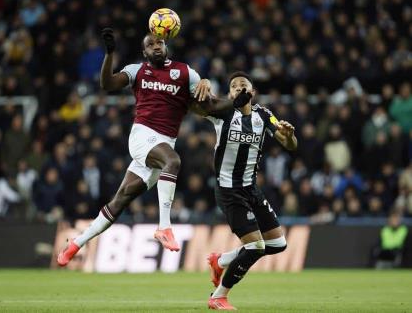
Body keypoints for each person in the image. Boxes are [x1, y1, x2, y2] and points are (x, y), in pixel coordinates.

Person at [57, 28, 212, 266]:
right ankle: (165, 227)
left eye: (160, 42)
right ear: (144, 52)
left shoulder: (185, 72)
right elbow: (107, 84)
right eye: (151, 44)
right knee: (174, 161)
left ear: (166, 45)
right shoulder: (136, 70)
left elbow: (205, 103)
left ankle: (76, 243)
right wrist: (109, 54)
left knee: (120, 201)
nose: (156, 46)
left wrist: (206, 81)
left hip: (163, 144)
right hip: (143, 137)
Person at [204, 71, 297, 310]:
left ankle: (221, 260)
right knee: (255, 247)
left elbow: (289, 144)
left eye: (243, 85)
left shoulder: (263, 115)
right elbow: (194, 105)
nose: (238, 88)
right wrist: (201, 84)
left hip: (252, 190)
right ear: (229, 93)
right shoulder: (223, 113)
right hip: (229, 191)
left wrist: (290, 135)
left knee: (277, 244)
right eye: (234, 86)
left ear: (252, 92)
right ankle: (218, 296)